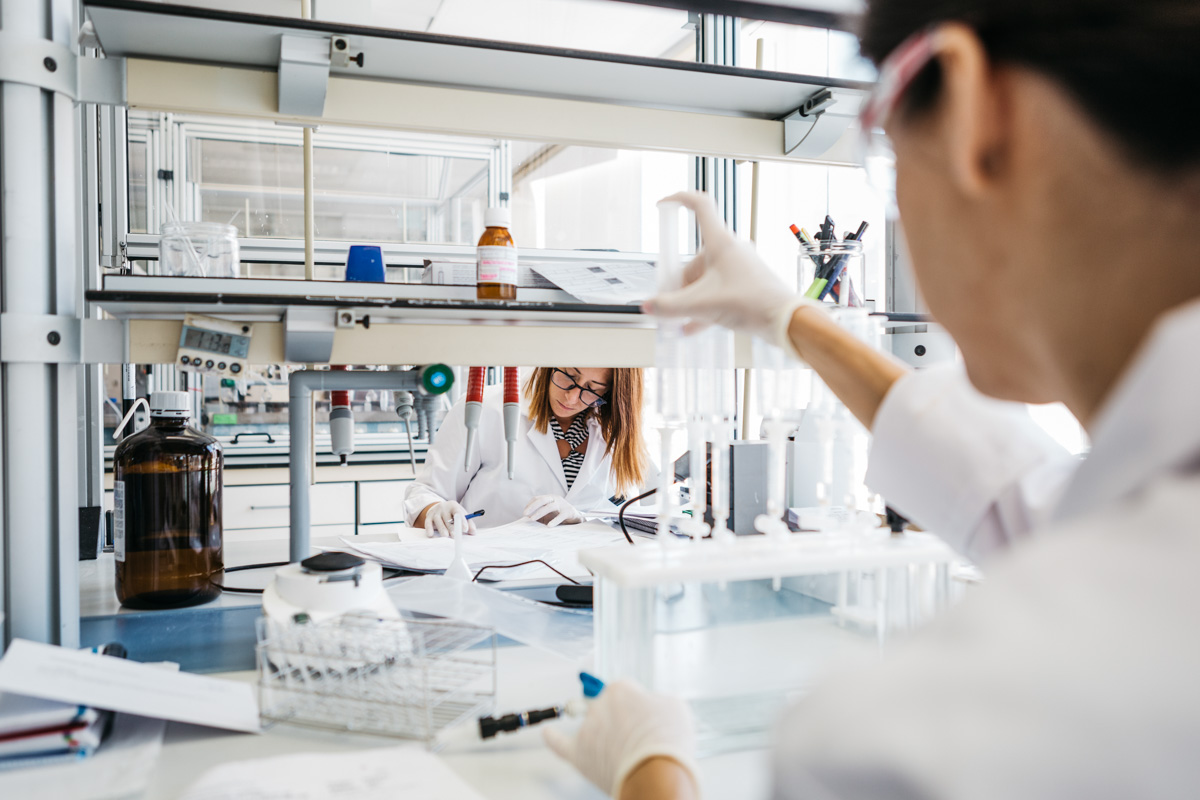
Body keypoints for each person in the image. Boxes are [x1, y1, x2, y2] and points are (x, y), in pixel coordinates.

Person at [544, 1, 1200, 798]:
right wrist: (789, 319)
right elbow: (1023, 500)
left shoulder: (927, 739)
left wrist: (651, 771)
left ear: (969, 112)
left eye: (882, 147)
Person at [404, 367, 647, 537]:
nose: (572, 397)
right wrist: (436, 511)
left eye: (593, 389)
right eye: (569, 376)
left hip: (580, 578)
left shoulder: (615, 430)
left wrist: (580, 518)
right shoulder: (485, 408)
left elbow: (629, 520)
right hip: (488, 572)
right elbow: (424, 494)